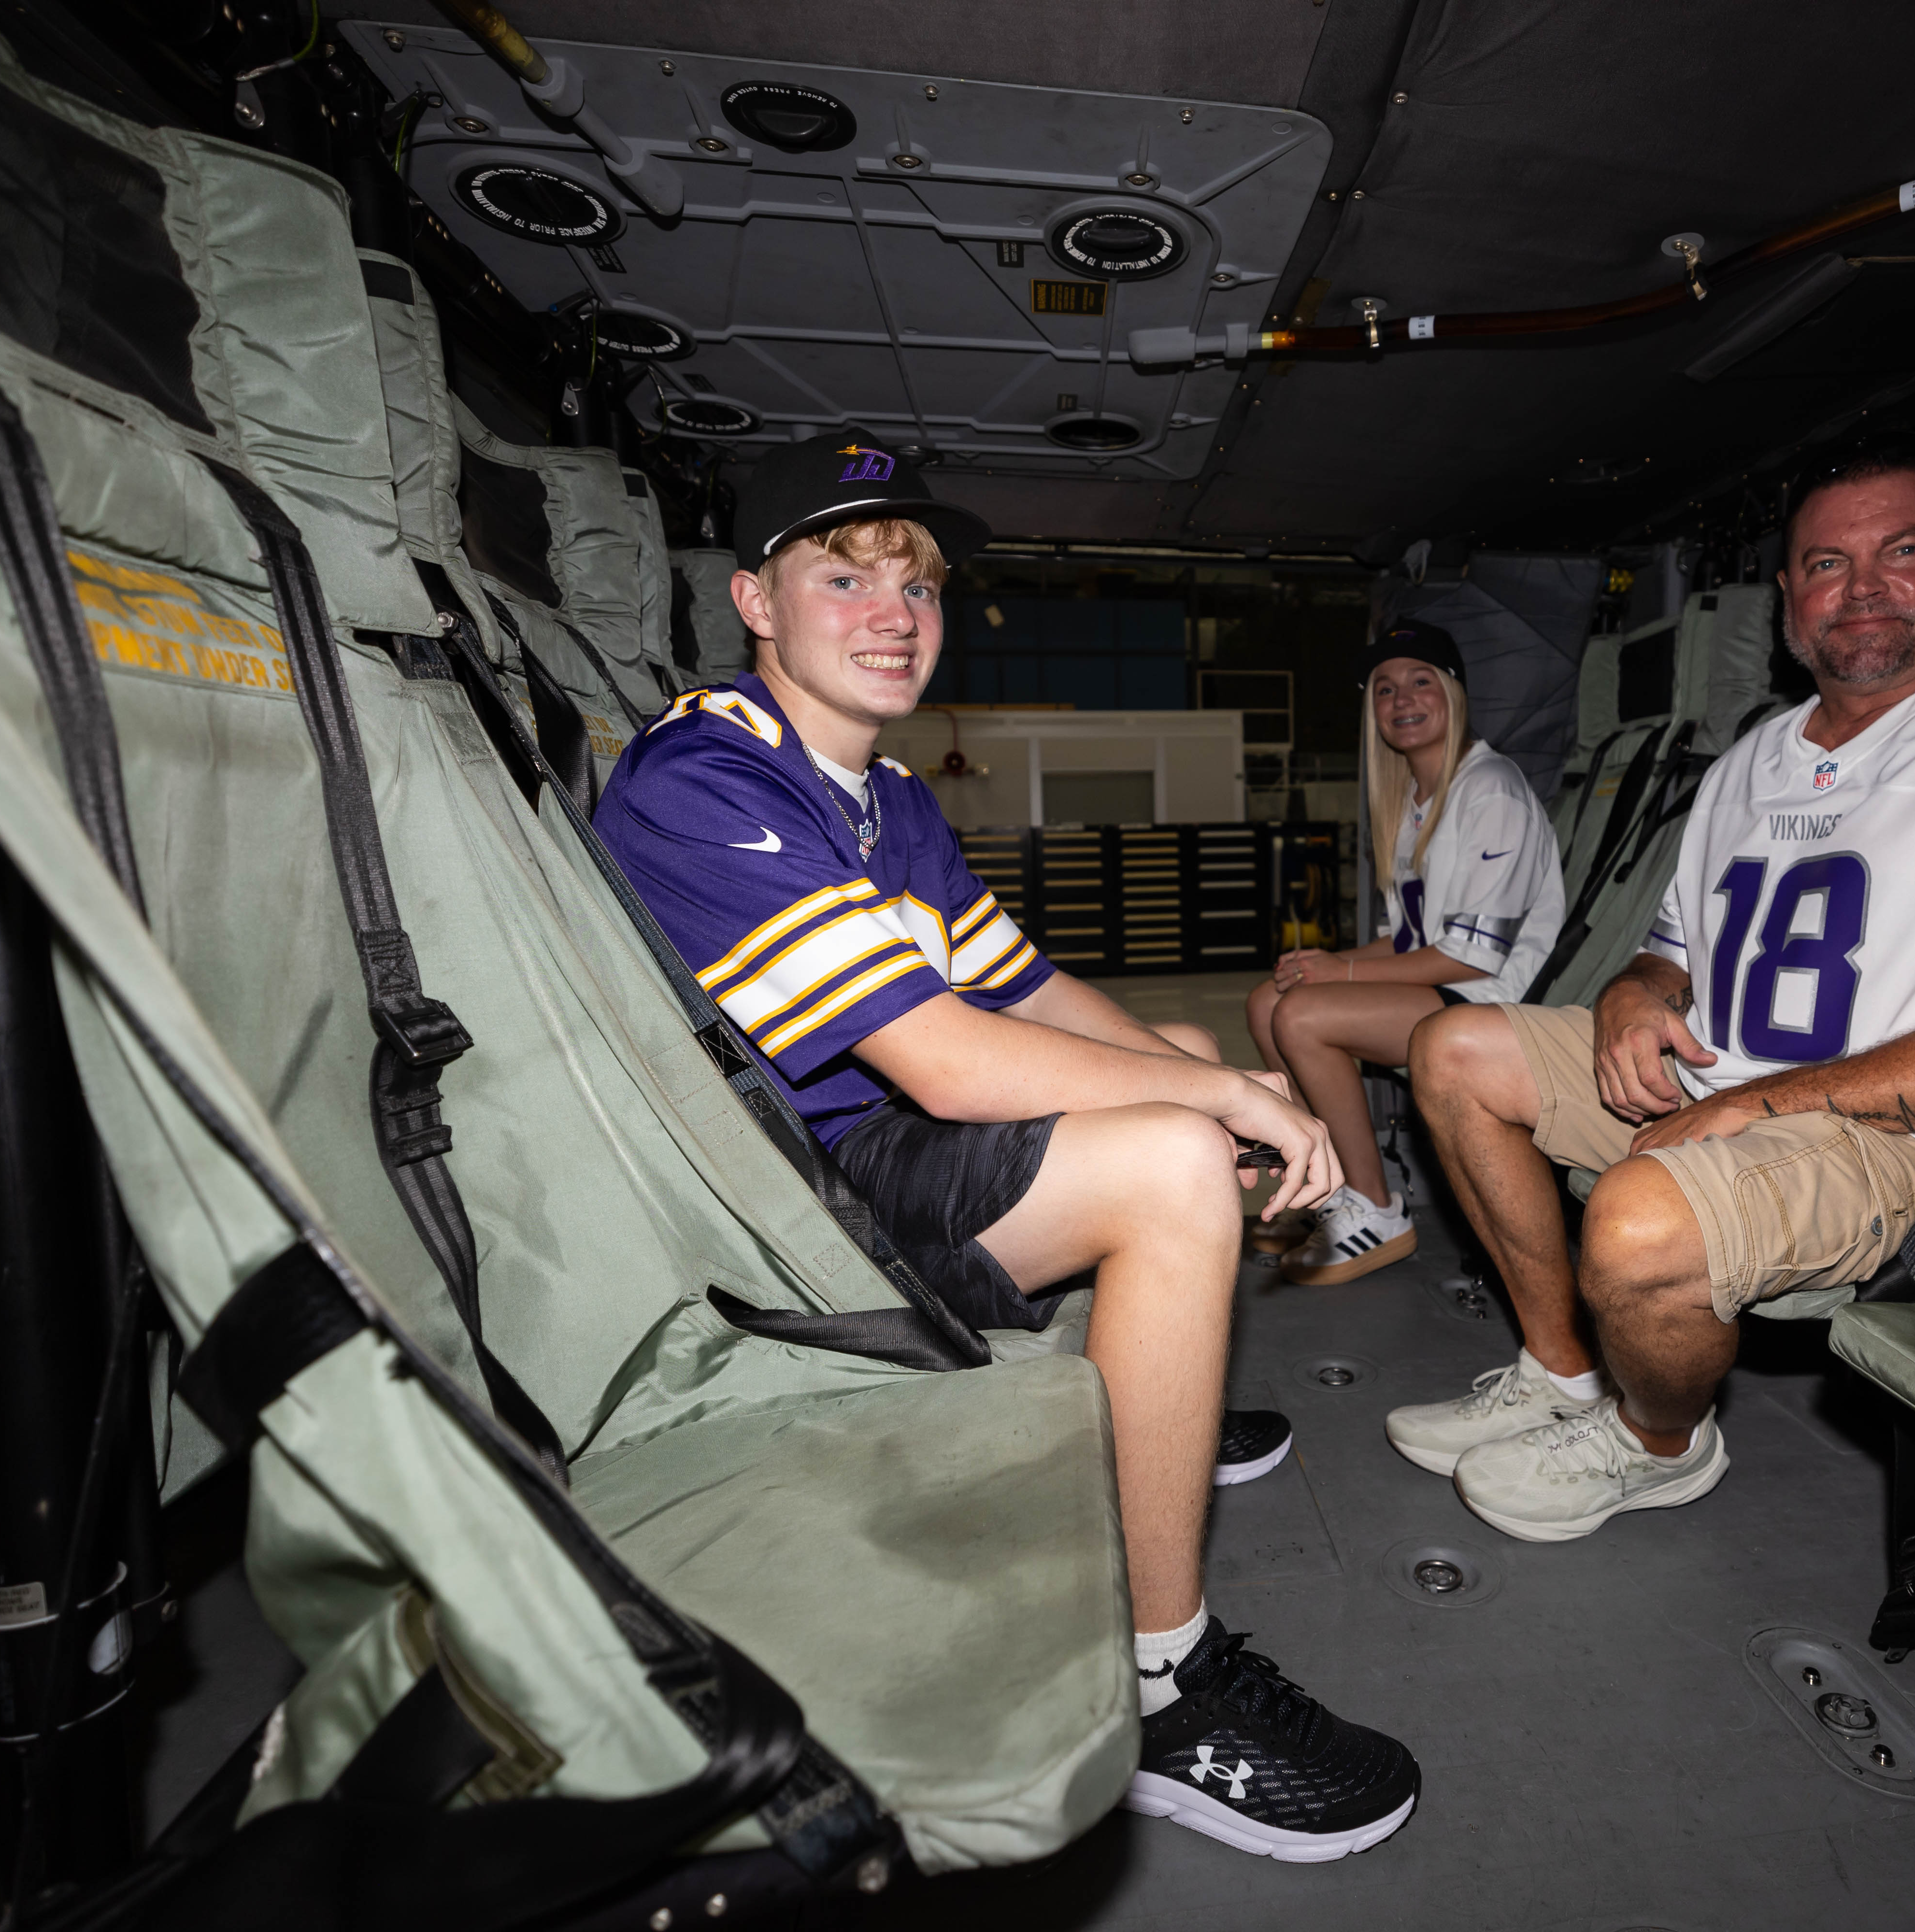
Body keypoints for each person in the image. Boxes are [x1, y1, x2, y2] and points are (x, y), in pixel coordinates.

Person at [593, 433, 1420, 1860]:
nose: (894, 614)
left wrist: (1202, 1068)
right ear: (755, 602)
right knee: (1173, 1158)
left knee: (1174, 1059)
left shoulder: (886, 792)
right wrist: (1224, 1108)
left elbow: (1025, 989)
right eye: (844, 578)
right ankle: (1162, 1686)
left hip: (870, 1151)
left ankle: (1148, 1393)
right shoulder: (707, 773)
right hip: (776, 1211)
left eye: (915, 585)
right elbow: (947, 1060)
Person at [1390, 437, 1915, 1543]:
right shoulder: (1749, 763)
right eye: (1826, 563)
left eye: (1903, 551)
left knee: (1637, 1222)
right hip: (1718, 1078)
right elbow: (1669, 953)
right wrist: (1631, 995)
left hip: (1887, 1139)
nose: (1862, 588)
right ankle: (1561, 1372)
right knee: (1452, 1046)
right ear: (1789, 594)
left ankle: (1660, 1440)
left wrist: (1758, 1103)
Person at [1246, 623, 1564, 1284]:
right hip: (1445, 983)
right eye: (1386, 689)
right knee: (1269, 1000)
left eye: (1421, 681)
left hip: (1493, 1001)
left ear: (1454, 694)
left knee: (1302, 1016)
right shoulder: (1414, 800)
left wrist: (1343, 971)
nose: (1402, 699)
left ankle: (1379, 1211)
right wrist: (1324, 964)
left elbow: (1473, 956)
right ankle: (1334, 1188)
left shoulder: (1491, 788)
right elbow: (1412, 940)